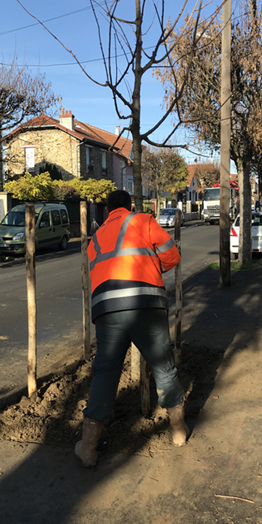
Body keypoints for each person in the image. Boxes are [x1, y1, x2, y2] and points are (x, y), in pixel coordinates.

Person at [76, 189, 189, 468]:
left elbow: (98, 271)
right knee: (162, 365)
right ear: (130, 207)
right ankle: (178, 432)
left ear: (106, 212)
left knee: (105, 372)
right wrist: (151, 267)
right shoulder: (144, 221)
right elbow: (172, 256)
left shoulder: (96, 239)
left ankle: (88, 447)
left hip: (107, 311)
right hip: (146, 304)